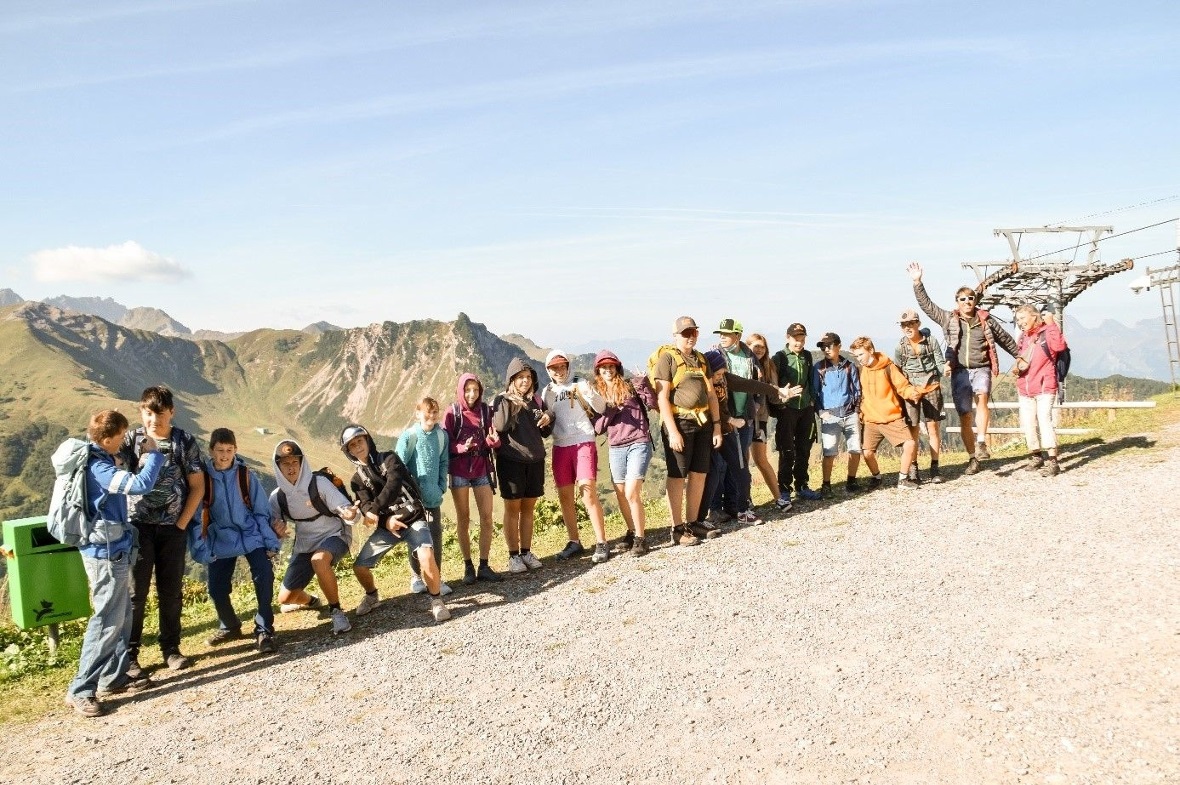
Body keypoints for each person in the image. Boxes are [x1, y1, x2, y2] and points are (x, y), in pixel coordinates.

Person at [64, 410, 165, 718]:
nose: (123, 442)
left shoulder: (100, 459)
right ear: (106, 439)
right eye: (120, 437)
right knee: (107, 621)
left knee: (120, 616)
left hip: (113, 549)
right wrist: (155, 455)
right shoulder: (98, 468)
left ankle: (113, 676)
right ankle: (81, 689)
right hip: (103, 554)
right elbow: (140, 486)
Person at [119, 385, 203, 675]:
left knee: (171, 591)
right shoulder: (131, 439)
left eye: (160, 413)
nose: (154, 419)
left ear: (171, 412)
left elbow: (197, 486)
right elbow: (117, 475)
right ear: (142, 412)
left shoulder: (184, 441)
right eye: (148, 413)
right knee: (135, 593)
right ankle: (129, 655)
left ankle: (171, 649)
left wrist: (181, 524)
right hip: (137, 527)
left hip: (172, 529)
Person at [907, 262, 1019, 474]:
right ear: (957, 303)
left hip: (982, 367)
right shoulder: (948, 319)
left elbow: (1004, 338)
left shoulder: (986, 320)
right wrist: (917, 282)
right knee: (965, 416)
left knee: (983, 396)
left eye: (970, 298)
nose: (967, 302)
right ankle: (972, 457)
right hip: (959, 371)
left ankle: (982, 442)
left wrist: (1019, 356)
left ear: (975, 301)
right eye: (963, 299)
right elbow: (927, 306)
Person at [340, 424, 452, 623]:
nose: (357, 447)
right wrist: (385, 520)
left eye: (360, 441)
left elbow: (394, 484)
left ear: (367, 440)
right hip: (388, 527)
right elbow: (364, 506)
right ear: (348, 452)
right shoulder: (357, 481)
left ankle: (437, 601)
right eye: (352, 446)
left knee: (426, 555)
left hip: (414, 517)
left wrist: (374, 511)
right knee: (359, 567)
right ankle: (372, 595)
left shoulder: (390, 458)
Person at [197, 428, 281, 654]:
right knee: (216, 588)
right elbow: (199, 516)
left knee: (264, 575)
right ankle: (230, 625)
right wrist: (200, 547)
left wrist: (269, 541)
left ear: (236, 449)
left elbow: (261, 511)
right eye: (220, 450)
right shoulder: (203, 478)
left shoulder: (245, 475)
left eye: (229, 450)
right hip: (221, 537)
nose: (224, 455)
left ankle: (264, 629)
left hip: (250, 533)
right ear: (211, 450)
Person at [270, 439, 360, 634]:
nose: (291, 467)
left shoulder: (319, 483)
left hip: (335, 535)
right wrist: (275, 533)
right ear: (278, 467)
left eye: (295, 462)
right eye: (285, 463)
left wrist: (351, 514)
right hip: (305, 544)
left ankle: (336, 611)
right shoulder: (278, 497)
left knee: (319, 560)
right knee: (285, 599)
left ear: (302, 463)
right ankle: (312, 601)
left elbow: (346, 509)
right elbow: (275, 528)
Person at [702, 349, 800, 526]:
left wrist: (776, 390)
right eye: (717, 374)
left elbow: (749, 384)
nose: (720, 377)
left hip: (727, 431)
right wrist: (730, 419)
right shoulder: (702, 384)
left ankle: (742, 511)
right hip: (710, 433)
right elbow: (706, 410)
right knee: (713, 475)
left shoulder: (725, 378)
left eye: (723, 373)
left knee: (741, 471)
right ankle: (701, 518)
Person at [653, 316, 723, 546]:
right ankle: (676, 528)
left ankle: (693, 522)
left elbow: (712, 395)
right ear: (675, 336)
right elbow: (662, 397)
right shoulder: (667, 359)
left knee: (699, 473)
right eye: (685, 333)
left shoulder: (702, 360)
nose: (690, 336)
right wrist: (672, 431)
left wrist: (717, 426)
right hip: (680, 423)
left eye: (693, 332)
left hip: (703, 423)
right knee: (677, 475)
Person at [542, 350, 610, 563]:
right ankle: (574, 541)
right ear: (548, 370)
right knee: (565, 497)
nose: (559, 371)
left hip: (583, 442)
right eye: (554, 368)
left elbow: (601, 407)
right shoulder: (547, 392)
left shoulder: (580, 384)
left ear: (568, 366)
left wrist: (590, 393)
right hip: (560, 445)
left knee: (587, 492)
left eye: (562, 366)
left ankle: (601, 542)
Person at [591, 350, 657, 556]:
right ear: (598, 371)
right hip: (616, 447)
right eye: (604, 367)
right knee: (620, 493)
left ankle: (640, 538)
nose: (608, 370)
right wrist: (610, 409)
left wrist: (643, 383)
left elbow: (653, 404)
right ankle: (631, 531)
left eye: (611, 366)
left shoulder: (630, 386)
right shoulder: (597, 395)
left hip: (638, 441)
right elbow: (598, 428)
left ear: (617, 368)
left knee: (631, 492)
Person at [492, 358, 552, 572]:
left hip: (535, 459)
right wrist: (509, 401)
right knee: (512, 508)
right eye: (520, 378)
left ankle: (526, 552)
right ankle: (513, 556)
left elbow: (545, 430)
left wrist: (548, 416)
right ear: (512, 380)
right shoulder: (502, 400)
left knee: (528, 508)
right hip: (511, 461)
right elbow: (500, 425)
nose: (525, 381)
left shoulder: (535, 400)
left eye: (528, 377)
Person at [443, 373, 502, 584]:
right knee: (464, 519)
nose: (471, 394)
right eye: (467, 390)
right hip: (459, 470)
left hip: (482, 469)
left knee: (487, 517)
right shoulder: (452, 413)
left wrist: (493, 442)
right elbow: (444, 443)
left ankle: (484, 565)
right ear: (461, 390)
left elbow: (491, 439)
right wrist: (460, 447)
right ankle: (468, 566)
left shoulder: (486, 411)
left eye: (475, 390)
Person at [848, 336, 927, 490]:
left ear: (871, 350)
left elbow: (902, 386)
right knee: (867, 453)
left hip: (891, 417)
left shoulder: (888, 367)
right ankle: (876, 477)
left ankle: (903, 479)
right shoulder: (861, 370)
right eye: (856, 356)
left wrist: (912, 393)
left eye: (861, 355)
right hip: (871, 419)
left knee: (910, 444)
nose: (859, 359)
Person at [396, 398, 452, 596]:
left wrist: (441, 486)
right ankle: (416, 577)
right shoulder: (410, 436)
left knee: (435, 537)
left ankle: (436, 578)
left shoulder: (441, 436)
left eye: (435, 412)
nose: (432, 416)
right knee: (416, 538)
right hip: (412, 500)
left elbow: (444, 461)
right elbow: (398, 466)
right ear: (418, 413)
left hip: (433, 497)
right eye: (428, 412)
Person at [710, 318, 758, 525]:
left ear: (737, 335)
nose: (722, 336)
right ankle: (715, 509)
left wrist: (755, 405)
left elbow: (754, 382)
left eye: (727, 333)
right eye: (720, 333)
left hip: (744, 416)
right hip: (725, 418)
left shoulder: (749, 355)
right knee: (719, 465)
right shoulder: (715, 356)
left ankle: (733, 505)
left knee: (738, 464)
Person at [893, 309, 948, 484]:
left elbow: (939, 362)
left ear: (918, 324)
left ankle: (934, 468)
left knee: (933, 428)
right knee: (913, 430)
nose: (907, 328)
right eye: (904, 325)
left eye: (910, 324)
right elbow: (898, 372)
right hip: (911, 391)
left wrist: (945, 369)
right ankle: (914, 469)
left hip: (931, 387)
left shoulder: (931, 341)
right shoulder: (900, 347)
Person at [1012, 305, 1068, 477]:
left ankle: (1053, 461)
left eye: (1023, 318)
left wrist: (1051, 324)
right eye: (1018, 319)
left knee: (1044, 420)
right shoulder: (1023, 337)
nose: (1021, 322)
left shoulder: (1046, 332)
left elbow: (1059, 346)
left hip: (1045, 385)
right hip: (1025, 386)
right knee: (1028, 422)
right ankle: (1036, 455)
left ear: (1034, 317)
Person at [771, 323, 820, 505]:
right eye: (795, 339)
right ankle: (784, 489)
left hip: (805, 408)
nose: (799, 343)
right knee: (787, 451)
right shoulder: (780, 358)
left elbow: (809, 379)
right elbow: (773, 383)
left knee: (804, 449)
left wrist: (812, 399)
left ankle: (802, 486)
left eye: (802, 339)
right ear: (788, 338)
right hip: (787, 409)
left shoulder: (807, 356)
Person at [811, 333, 863, 497]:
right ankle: (826, 485)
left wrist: (856, 410)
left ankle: (851, 481)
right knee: (829, 453)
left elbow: (857, 389)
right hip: (830, 415)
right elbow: (814, 393)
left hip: (849, 414)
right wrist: (820, 412)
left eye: (829, 345)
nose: (826, 349)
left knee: (855, 450)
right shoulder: (819, 368)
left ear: (839, 345)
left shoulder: (849, 366)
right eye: (823, 346)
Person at [745, 332, 783, 505]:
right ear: (748, 346)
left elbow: (774, 396)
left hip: (761, 419)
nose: (759, 350)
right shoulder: (742, 364)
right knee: (743, 461)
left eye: (762, 346)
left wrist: (781, 393)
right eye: (756, 346)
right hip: (743, 417)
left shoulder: (769, 367)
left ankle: (778, 497)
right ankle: (746, 499)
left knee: (761, 459)